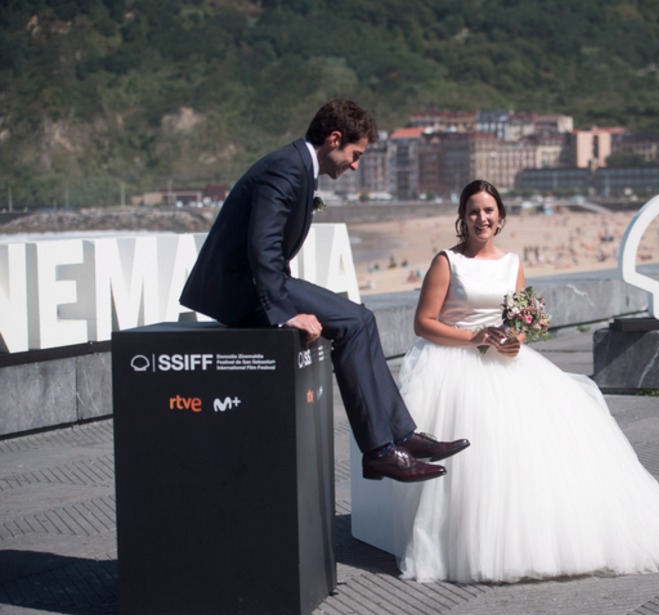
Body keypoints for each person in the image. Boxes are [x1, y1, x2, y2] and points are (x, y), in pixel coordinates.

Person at [390, 179, 659, 583]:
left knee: (529, 459)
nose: (481, 218)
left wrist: (515, 340)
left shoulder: (512, 263)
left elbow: (518, 321)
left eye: (489, 210)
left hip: (505, 365)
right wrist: (476, 338)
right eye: (474, 211)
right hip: (455, 364)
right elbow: (424, 324)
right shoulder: (447, 262)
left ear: (501, 216)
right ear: (462, 217)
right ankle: (460, 541)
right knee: (475, 462)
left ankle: (520, 540)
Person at [179, 100, 469, 483]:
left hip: (260, 282)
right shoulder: (287, 168)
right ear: (334, 139)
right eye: (355, 154)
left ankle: (401, 436)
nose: (355, 165)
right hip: (238, 291)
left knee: (361, 319)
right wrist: (284, 313)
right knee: (354, 322)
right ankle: (381, 450)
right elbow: (262, 245)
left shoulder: (298, 167)